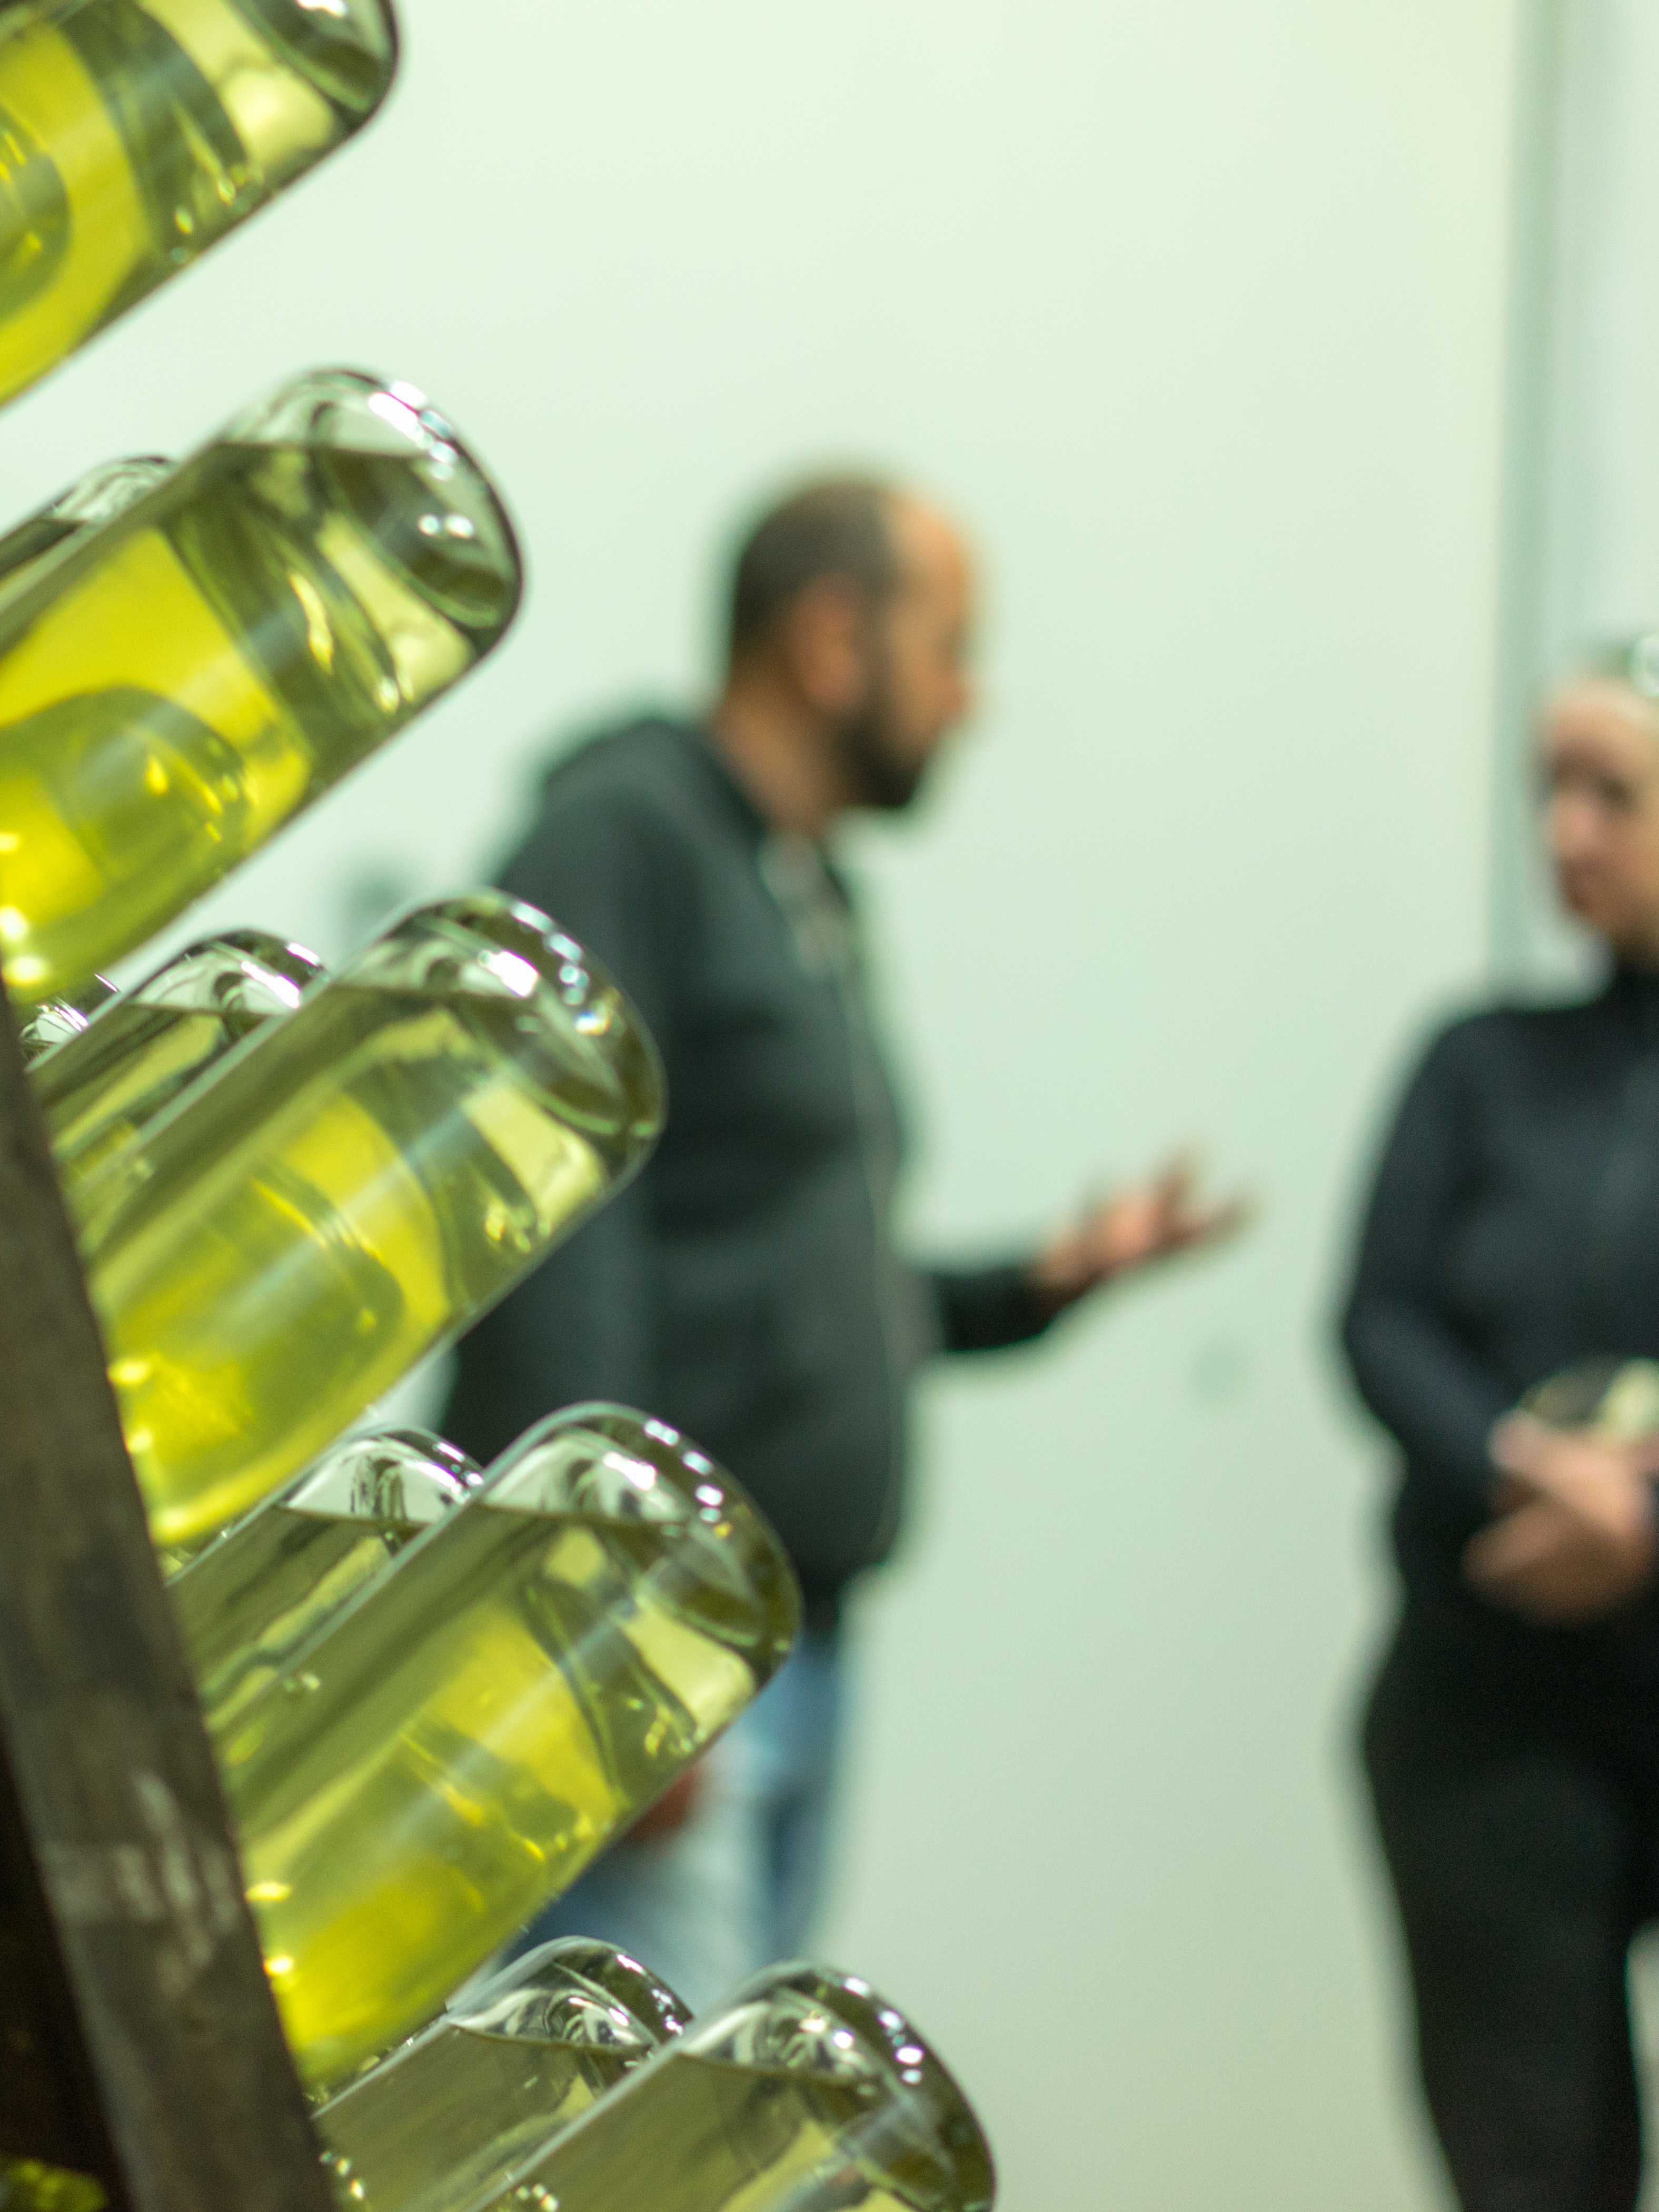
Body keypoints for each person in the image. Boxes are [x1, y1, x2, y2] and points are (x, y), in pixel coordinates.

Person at [439, 474, 1240, 2008]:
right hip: (668, 1643)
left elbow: (787, 1277)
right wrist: (606, 1635)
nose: (970, 696)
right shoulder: (627, 838)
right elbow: (551, 1245)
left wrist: (1034, 1286)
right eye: (949, 645)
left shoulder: (805, 890)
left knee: (704, 2124)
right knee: (624, 2145)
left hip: (787, 1644)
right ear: (828, 636)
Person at [1344, 657, 1659, 2212]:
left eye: (1617, 792)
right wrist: (1527, 1469)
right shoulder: (1481, 1062)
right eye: (1553, 787)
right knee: (1540, 2163)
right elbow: (1379, 1320)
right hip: (1493, 1710)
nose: (1569, 831)